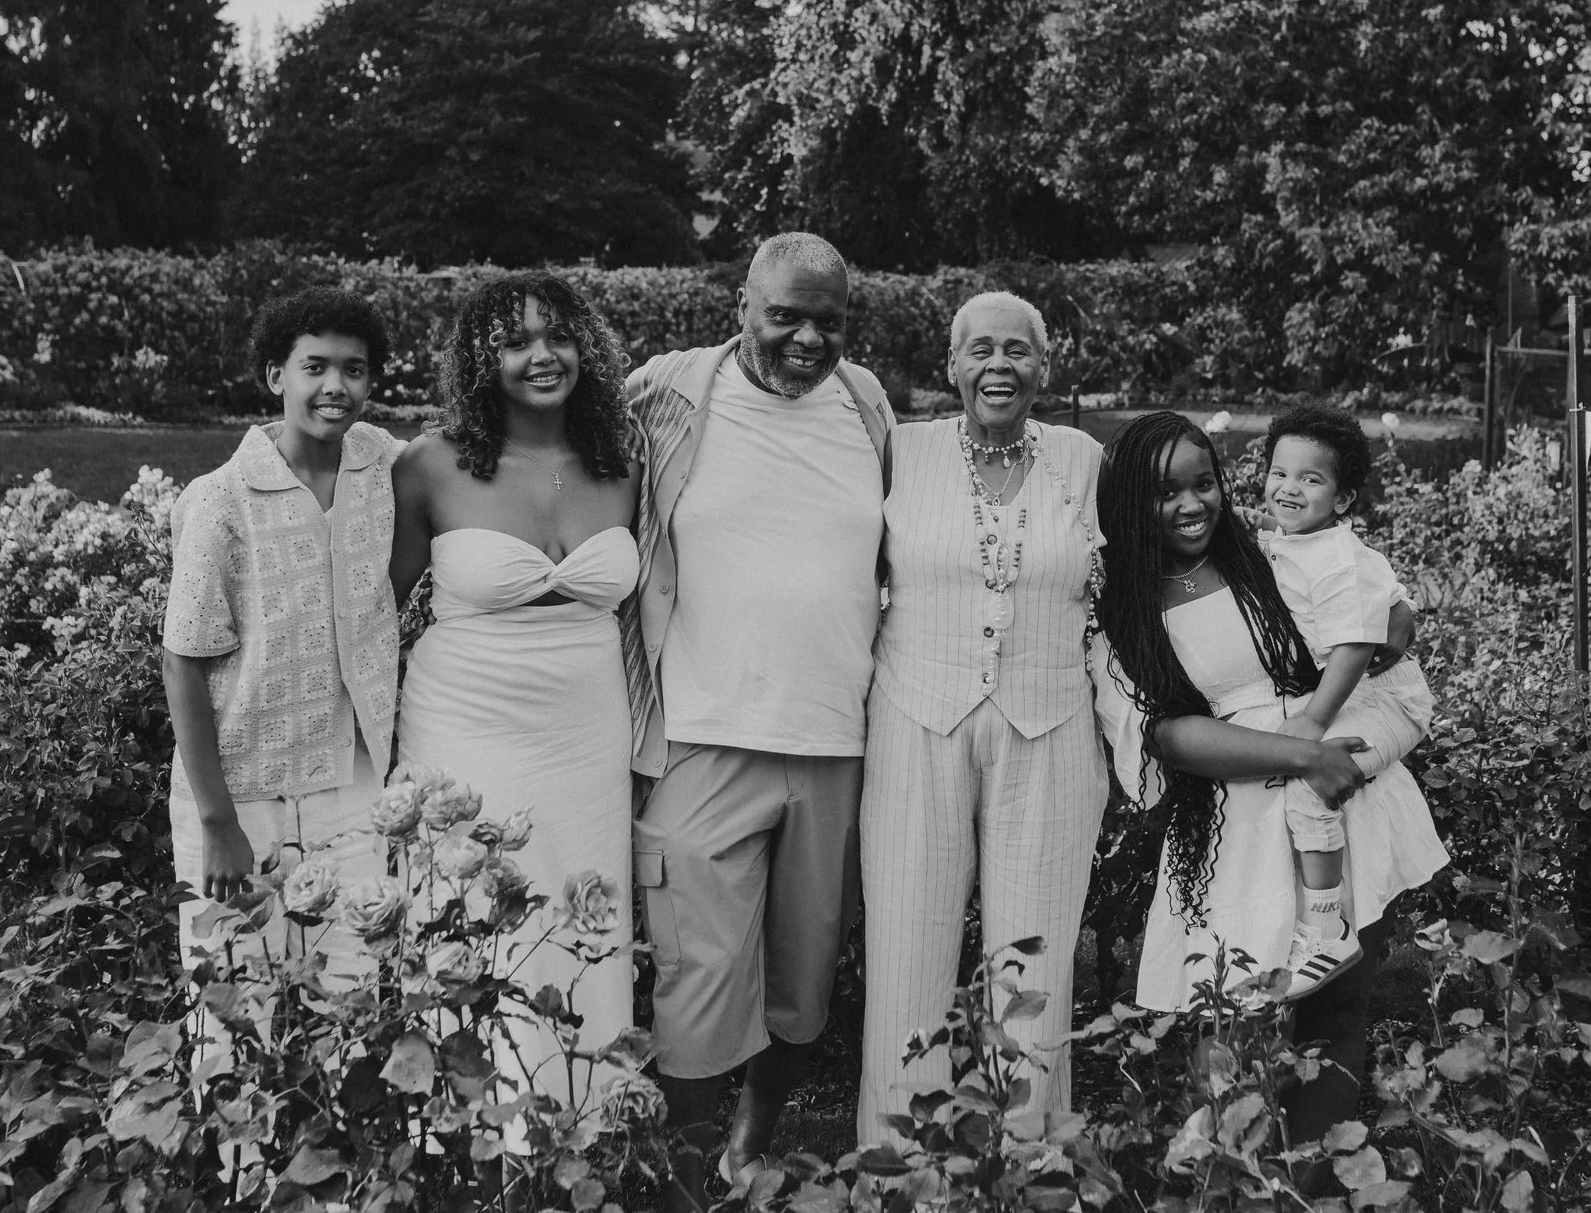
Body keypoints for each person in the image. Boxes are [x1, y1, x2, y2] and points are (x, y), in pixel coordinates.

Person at [1087, 411, 1446, 1143]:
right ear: (1130, 502)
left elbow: (1354, 577)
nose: (1193, 505)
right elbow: (1169, 736)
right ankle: (1231, 1174)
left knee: (1337, 1006)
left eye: (1204, 483)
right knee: (1232, 1023)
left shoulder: (1264, 555)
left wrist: (1399, 612)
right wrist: (1300, 754)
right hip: (1241, 814)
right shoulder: (1123, 608)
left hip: (1340, 799)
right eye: (1166, 493)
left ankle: (1313, 1170)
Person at [623, 232, 894, 1204]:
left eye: (829, 320)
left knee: (803, 982)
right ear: (742, 304)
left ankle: (749, 1141)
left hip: (835, 744)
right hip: (700, 736)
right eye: (786, 314)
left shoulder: (866, 403)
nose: (808, 337)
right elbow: (563, 467)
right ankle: (689, 1178)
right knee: (695, 980)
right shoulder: (666, 390)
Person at [856, 291, 1105, 1143]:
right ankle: (897, 1164)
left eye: (1019, 351)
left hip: (1051, 724)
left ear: (1045, 366)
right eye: (981, 350)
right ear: (951, 365)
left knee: (1032, 966)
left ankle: (1028, 1166)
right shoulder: (903, 450)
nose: (999, 365)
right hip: (914, 716)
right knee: (905, 955)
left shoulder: (1080, 458)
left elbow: (1140, 572)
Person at [389, 273, 640, 1102]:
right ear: (479, 358)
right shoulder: (430, 464)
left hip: (586, 730)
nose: (543, 355)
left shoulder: (621, 460)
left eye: (559, 336)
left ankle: (575, 1116)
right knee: (471, 912)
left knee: (579, 908)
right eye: (515, 340)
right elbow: (379, 614)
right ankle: (462, 1123)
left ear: (586, 348)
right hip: (465, 724)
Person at [159, 288, 400, 996]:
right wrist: (218, 821)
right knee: (233, 1008)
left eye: (354, 370)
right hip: (241, 792)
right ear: (275, 376)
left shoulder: (380, 464)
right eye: (314, 366)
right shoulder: (222, 497)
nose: (336, 386)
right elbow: (182, 658)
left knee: (355, 996)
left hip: (350, 780)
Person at [1254, 402, 1444, 997]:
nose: (1289, 488)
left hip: (1390, 703)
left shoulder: (1339, 559)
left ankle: (1327, 926)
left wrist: (1313, 720)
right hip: (1361, 694)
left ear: (1342, 500)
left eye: (1311, 479)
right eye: (1280, 472)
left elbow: (1359, 646)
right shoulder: (1287, 542)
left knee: (1309, 783)